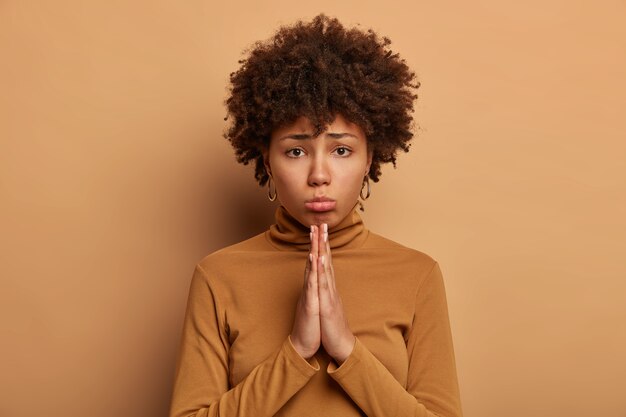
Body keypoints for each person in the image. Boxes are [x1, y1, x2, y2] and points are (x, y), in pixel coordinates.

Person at [169, 14, 463, 417]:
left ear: (369, 159)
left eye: (341, 150)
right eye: (296, 151)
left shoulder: (417, 275)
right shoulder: (218, 277)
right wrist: (296, 352)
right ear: (268, 163)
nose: (319, 175)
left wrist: (346, 349)